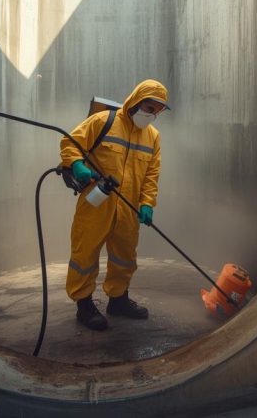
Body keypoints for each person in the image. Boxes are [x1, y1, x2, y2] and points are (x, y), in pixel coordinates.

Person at [60, 80, 169, 330]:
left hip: (129, 208)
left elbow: (151, 175)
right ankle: (84, 304)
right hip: (96, 202)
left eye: (157, 111)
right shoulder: (103, 121)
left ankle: (118, 299)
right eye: (149, 108)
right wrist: (76, 164)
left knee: (125, 256)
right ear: (136, 101)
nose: (151, 115)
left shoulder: (153, 137)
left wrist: (147, 203)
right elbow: (70, 142)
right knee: (85, 253)